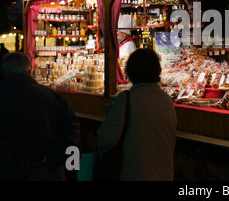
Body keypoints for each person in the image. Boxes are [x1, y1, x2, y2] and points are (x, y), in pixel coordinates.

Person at [97, 48, 177, 181]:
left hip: (134, 174)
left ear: (130, 72)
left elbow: (104, 140)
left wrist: (112, 114)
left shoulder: (127, 99)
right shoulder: (167, 100)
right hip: (164, 175)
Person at [0, 52, 80, 181]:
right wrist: (51, 161)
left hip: (10, 173)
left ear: (3, 72)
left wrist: (18, 167)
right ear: (30, 71)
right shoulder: (53, 97)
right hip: (49, 173)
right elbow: (71, 133)